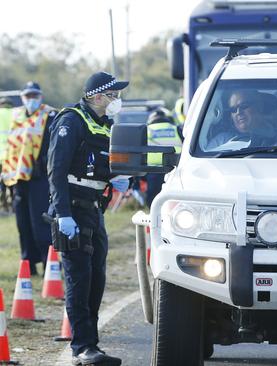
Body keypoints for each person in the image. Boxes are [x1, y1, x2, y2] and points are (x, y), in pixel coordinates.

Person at [47, 71, 129, 366]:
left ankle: (91, 343)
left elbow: (97, 165)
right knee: (79, 280)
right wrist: (64, 214)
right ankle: (83, 347)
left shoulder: (104, 124)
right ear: (97, 96)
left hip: (94, 211)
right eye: (113, 95)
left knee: (96, 280)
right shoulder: (72, 121)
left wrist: (118, 177)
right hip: (73, 211)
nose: (117, 101)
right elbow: (56, 170)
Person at [1, 82, 56, 274]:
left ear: (40, 96)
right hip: (17, 178)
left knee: (40, 222)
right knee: (23, 224)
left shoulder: (48, 115)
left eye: (34, 96)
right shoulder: (15, 116)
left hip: (39, 177)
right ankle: (28, 264)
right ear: (22, 97)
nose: (31, 99)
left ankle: (49, 263)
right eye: (27, 96)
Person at [210, 90, 277, 148]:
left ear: (259, 106)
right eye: (233, 109)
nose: (238, 112)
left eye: (244, 106)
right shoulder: (221, 141)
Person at [145, 108, 182, 207]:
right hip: (175, 170)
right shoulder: (176, 129)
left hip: (153, 170)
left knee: (154, 200)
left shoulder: (146, 130)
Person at [0, 97, 14, 212]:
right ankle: (11, 204)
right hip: (11, 155)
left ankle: (2, 204)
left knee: (1, 183)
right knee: (11, 181)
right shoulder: (15, 114)